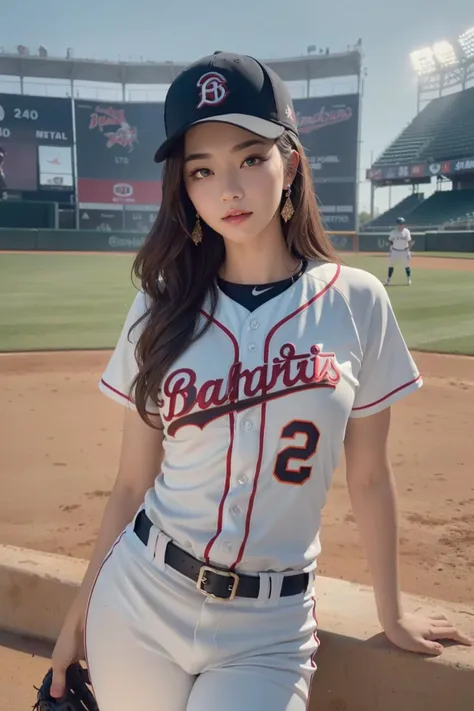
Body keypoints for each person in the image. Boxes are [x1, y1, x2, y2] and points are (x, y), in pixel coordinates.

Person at [50, 52, 472, 711]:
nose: (229, 188)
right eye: (202, 169)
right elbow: (131, 484)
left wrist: (391, 612)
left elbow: (369, 476)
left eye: (250, 157)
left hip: (267, 630)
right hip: (139, 599)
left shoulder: (355, 301)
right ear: (183, 188)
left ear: (291, 162)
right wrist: (80, 607)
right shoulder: (159, 307)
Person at [385, 217, 413, 286]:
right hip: (395, 250)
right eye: (399, 224)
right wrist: (390, 250)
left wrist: (408, 251)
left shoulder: (406, 232)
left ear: (404, 224)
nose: (401, 225)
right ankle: (388, 280)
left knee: (406, 265)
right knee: (391, 265)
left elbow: (409, 242)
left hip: (404, 250)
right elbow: (390, 241)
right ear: (397, 225)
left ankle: (409, 279)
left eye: (402, 224)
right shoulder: (393, 232)